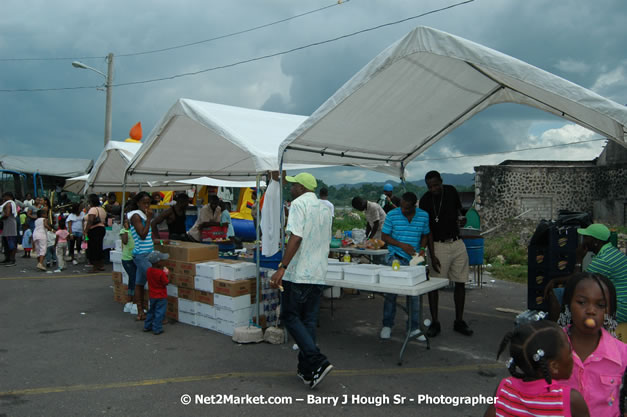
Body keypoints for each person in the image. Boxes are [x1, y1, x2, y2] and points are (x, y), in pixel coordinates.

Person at [270, 172, 333, 389]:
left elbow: (295, 237)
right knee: (308, 321)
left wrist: (282, 266)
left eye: (294, 185)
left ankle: (316, 359)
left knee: (289, 316)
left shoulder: (298, 204)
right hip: (318, 273)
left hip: (299, 273)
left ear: (302, 188)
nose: (291, 188)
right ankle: (307, 370)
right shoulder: (326, 207)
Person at [555, 272, 627, 417]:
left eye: (600, 305)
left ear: (609, 311)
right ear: (569, 304)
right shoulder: (551, 346)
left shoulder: (622, 354)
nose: (591, 311)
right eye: (582, 302)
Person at [484, 320, 589, 417]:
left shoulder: (504, 389)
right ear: (554, 366)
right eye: (570, 352)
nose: (574, 358)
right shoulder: (570, 400)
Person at [419, 170, 473, 337]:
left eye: (436, 185)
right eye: (430, 186)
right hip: (438, 245)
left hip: (457, 242)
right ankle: (435, 322)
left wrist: (461, 219)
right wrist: (432, 255)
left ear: (441, 181)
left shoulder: (451, 191)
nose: (433, 189)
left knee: (460, 281)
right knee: (434, 285)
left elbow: (458, 212)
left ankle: (459, 321)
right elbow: (428, 231)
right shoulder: (426, 200)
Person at [379, 192, 430, 340]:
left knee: (414, 296)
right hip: (396, 257)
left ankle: (413, 328)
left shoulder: (423, 216)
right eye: (401, 206)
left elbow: (425, 235)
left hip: (414, 260)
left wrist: (422, 250)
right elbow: (384, 236)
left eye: (407, 208)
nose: (403, 210)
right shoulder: (393, 215)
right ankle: (387, 325)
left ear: (414, 206)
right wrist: (402, 245)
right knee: (391, 293)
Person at [129, 192, 155, 321]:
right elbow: (142, 235)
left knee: (139, 283)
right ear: (138, 203)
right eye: (144, 203)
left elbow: (148, 236)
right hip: (141, 255)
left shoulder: (143, 215)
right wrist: (149, 219)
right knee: (154, 280)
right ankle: (154, 313)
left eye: (148, 202)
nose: (147, 205)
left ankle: (140, 312)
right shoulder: (136, 216)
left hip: (147, 253)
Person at [143, 250, 170, 335]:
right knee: (159, 312)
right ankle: (157, 328)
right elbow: (166, 282)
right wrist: (167, 274)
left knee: (151, 310)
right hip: (161, 296)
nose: (164, 261)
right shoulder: (160, 273)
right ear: (158, 262)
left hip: (152, 295)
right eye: (162, 260)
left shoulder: (148, 271)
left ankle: (147, 326)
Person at [84, 194, 106, 273]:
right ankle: (100, 265)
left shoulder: (93, 209)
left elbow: (90, 220)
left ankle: (95, 267)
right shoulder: (102, 209)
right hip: (101, 229)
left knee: (93, 248)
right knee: (99, 247)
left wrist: (86, 230)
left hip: (94, 230)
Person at [120, 215, 137, 314]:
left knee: (133, 279)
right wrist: (126, 229)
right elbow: (125, 241)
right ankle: (131, 301)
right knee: (133, 278)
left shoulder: (135, 230)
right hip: (127, 259)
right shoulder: (123, 231)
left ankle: (131, 301)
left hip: (135, 258)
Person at [1, 192, 18, 266]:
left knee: (10, 242)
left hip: (9, 224)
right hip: (7, 224)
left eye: (4, 197)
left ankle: (12, 259)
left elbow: (7, 214)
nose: (3, 198)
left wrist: (0, 218)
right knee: (6, 243)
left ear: (8, 196)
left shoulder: (8, 204)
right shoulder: (11, 203)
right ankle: (7, 258)